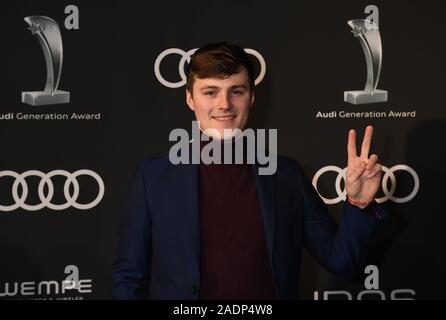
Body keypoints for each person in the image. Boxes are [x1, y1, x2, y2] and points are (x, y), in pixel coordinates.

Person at [111, 42, 387, 300]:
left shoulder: (287, 175)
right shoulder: (153, 178)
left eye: (237, 91)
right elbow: (129, 278)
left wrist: (359, 203)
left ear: (251, 98)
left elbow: (342, 262)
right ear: (190, 99)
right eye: (210, 92)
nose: (224, 104)